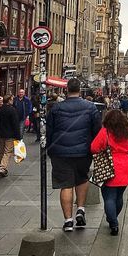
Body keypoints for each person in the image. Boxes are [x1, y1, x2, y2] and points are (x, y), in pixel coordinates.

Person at [47, 77, 101, 231]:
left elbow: (49, 131)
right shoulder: (90, 107)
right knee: (82, 179)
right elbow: (97, 130)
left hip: (61, 152)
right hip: (83, 151)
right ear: (80, 90)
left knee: (66, 185)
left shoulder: (56, 108)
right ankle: (81, 209)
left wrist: (51, 148)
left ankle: (68, 220)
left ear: (66, 90)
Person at [91, 110, 128, 234]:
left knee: (109, 197)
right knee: (119, 196)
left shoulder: (105, 132)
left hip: (109, 166)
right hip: (124, 167)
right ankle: (113, 218)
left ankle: (113, 222)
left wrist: (104, 149)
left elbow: (94, 147)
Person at [0, 95, 21, 177]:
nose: (12, 101)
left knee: (2, 151)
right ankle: (2, 167)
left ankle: (2, 168)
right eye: (12, 99)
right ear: (9, 100)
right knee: (7, 151)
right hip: (10, 134)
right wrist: (18, 136)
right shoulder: (12, 110)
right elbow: (15, 124)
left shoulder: (0, 109)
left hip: (0, 133)